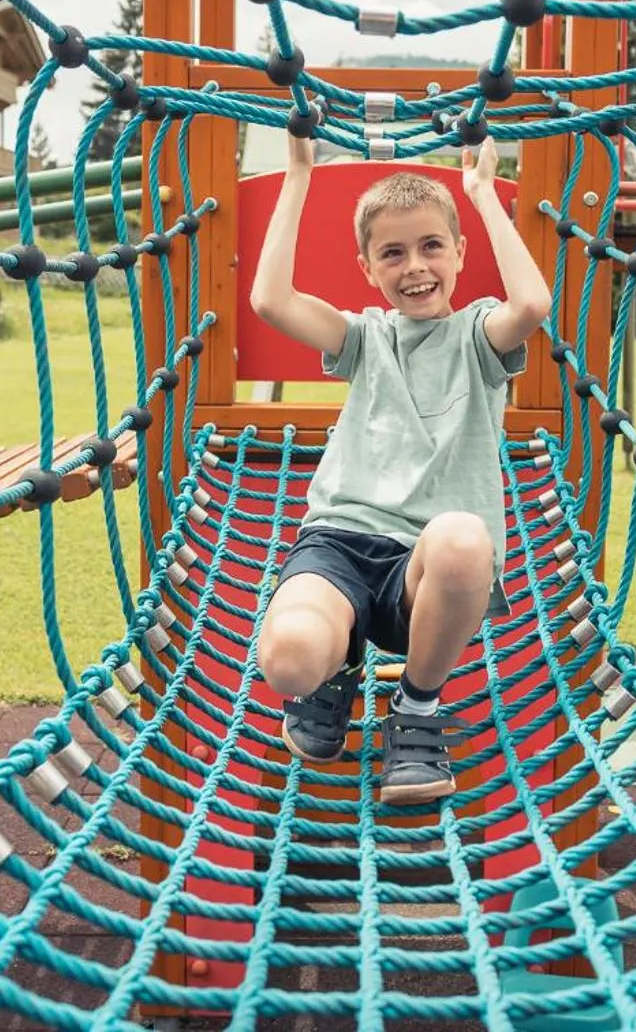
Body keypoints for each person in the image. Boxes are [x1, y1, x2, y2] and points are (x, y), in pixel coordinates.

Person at [246, 132, 552, 803]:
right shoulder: (364, 337)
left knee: (466, 538)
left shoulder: (478, 336)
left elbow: (532, 304)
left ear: (459, 252)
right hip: (338, 545)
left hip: (425, 572)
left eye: (431, 246)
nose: (415, 266)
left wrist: (479, 195)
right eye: (392, 253)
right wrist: (298, 174)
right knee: (289, 659)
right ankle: (337, 662)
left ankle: (415, 709)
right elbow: (271, 301)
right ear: (368, 268)